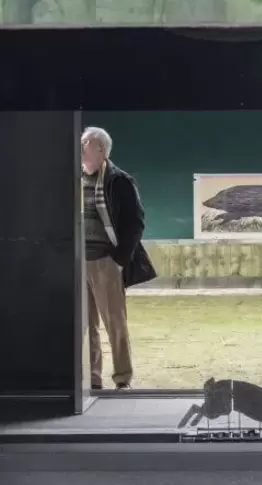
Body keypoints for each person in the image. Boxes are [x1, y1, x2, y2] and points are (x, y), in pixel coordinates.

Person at [81, 126, 157, 390]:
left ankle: (122, 378)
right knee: (84, 325)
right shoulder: (74, 179)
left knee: (114, 323)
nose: (81, 148)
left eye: (86, 143)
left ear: (100, 149)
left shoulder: (118, 180)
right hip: (77, 262)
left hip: (105, 261)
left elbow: (136, 222)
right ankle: (92, 379)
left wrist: (118, 260)